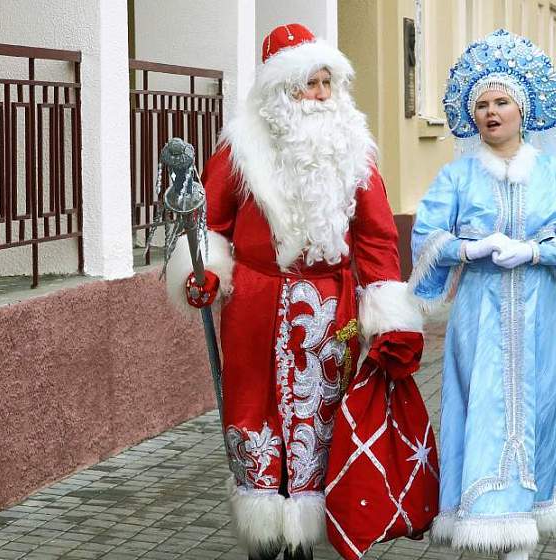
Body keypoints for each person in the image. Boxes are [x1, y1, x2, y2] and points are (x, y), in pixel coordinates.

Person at [168, 24, 425, 560]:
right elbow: (210, 223)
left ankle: (306, 538)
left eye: (328, 82)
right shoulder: (240, 150)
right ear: (281, 90)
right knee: (252, 415)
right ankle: (264, 536)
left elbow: (376, 238)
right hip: (255, 308)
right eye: (311, 83)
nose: (322, 95)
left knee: (321, 421)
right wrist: (205, 272)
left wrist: (390, 316)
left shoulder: (354, 152)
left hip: (330, 313)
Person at [409, 29, 556, 559]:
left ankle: (522, 539)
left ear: (522, 109)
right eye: (482, 105)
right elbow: (426, 237)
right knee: (481, 413)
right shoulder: (456, 176)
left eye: (501, 102)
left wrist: (535, 253)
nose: (491, 112)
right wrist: (468, 249)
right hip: (478, 319)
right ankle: (484, 523)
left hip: (543, 320)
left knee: (539, 414)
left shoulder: (555, 175)